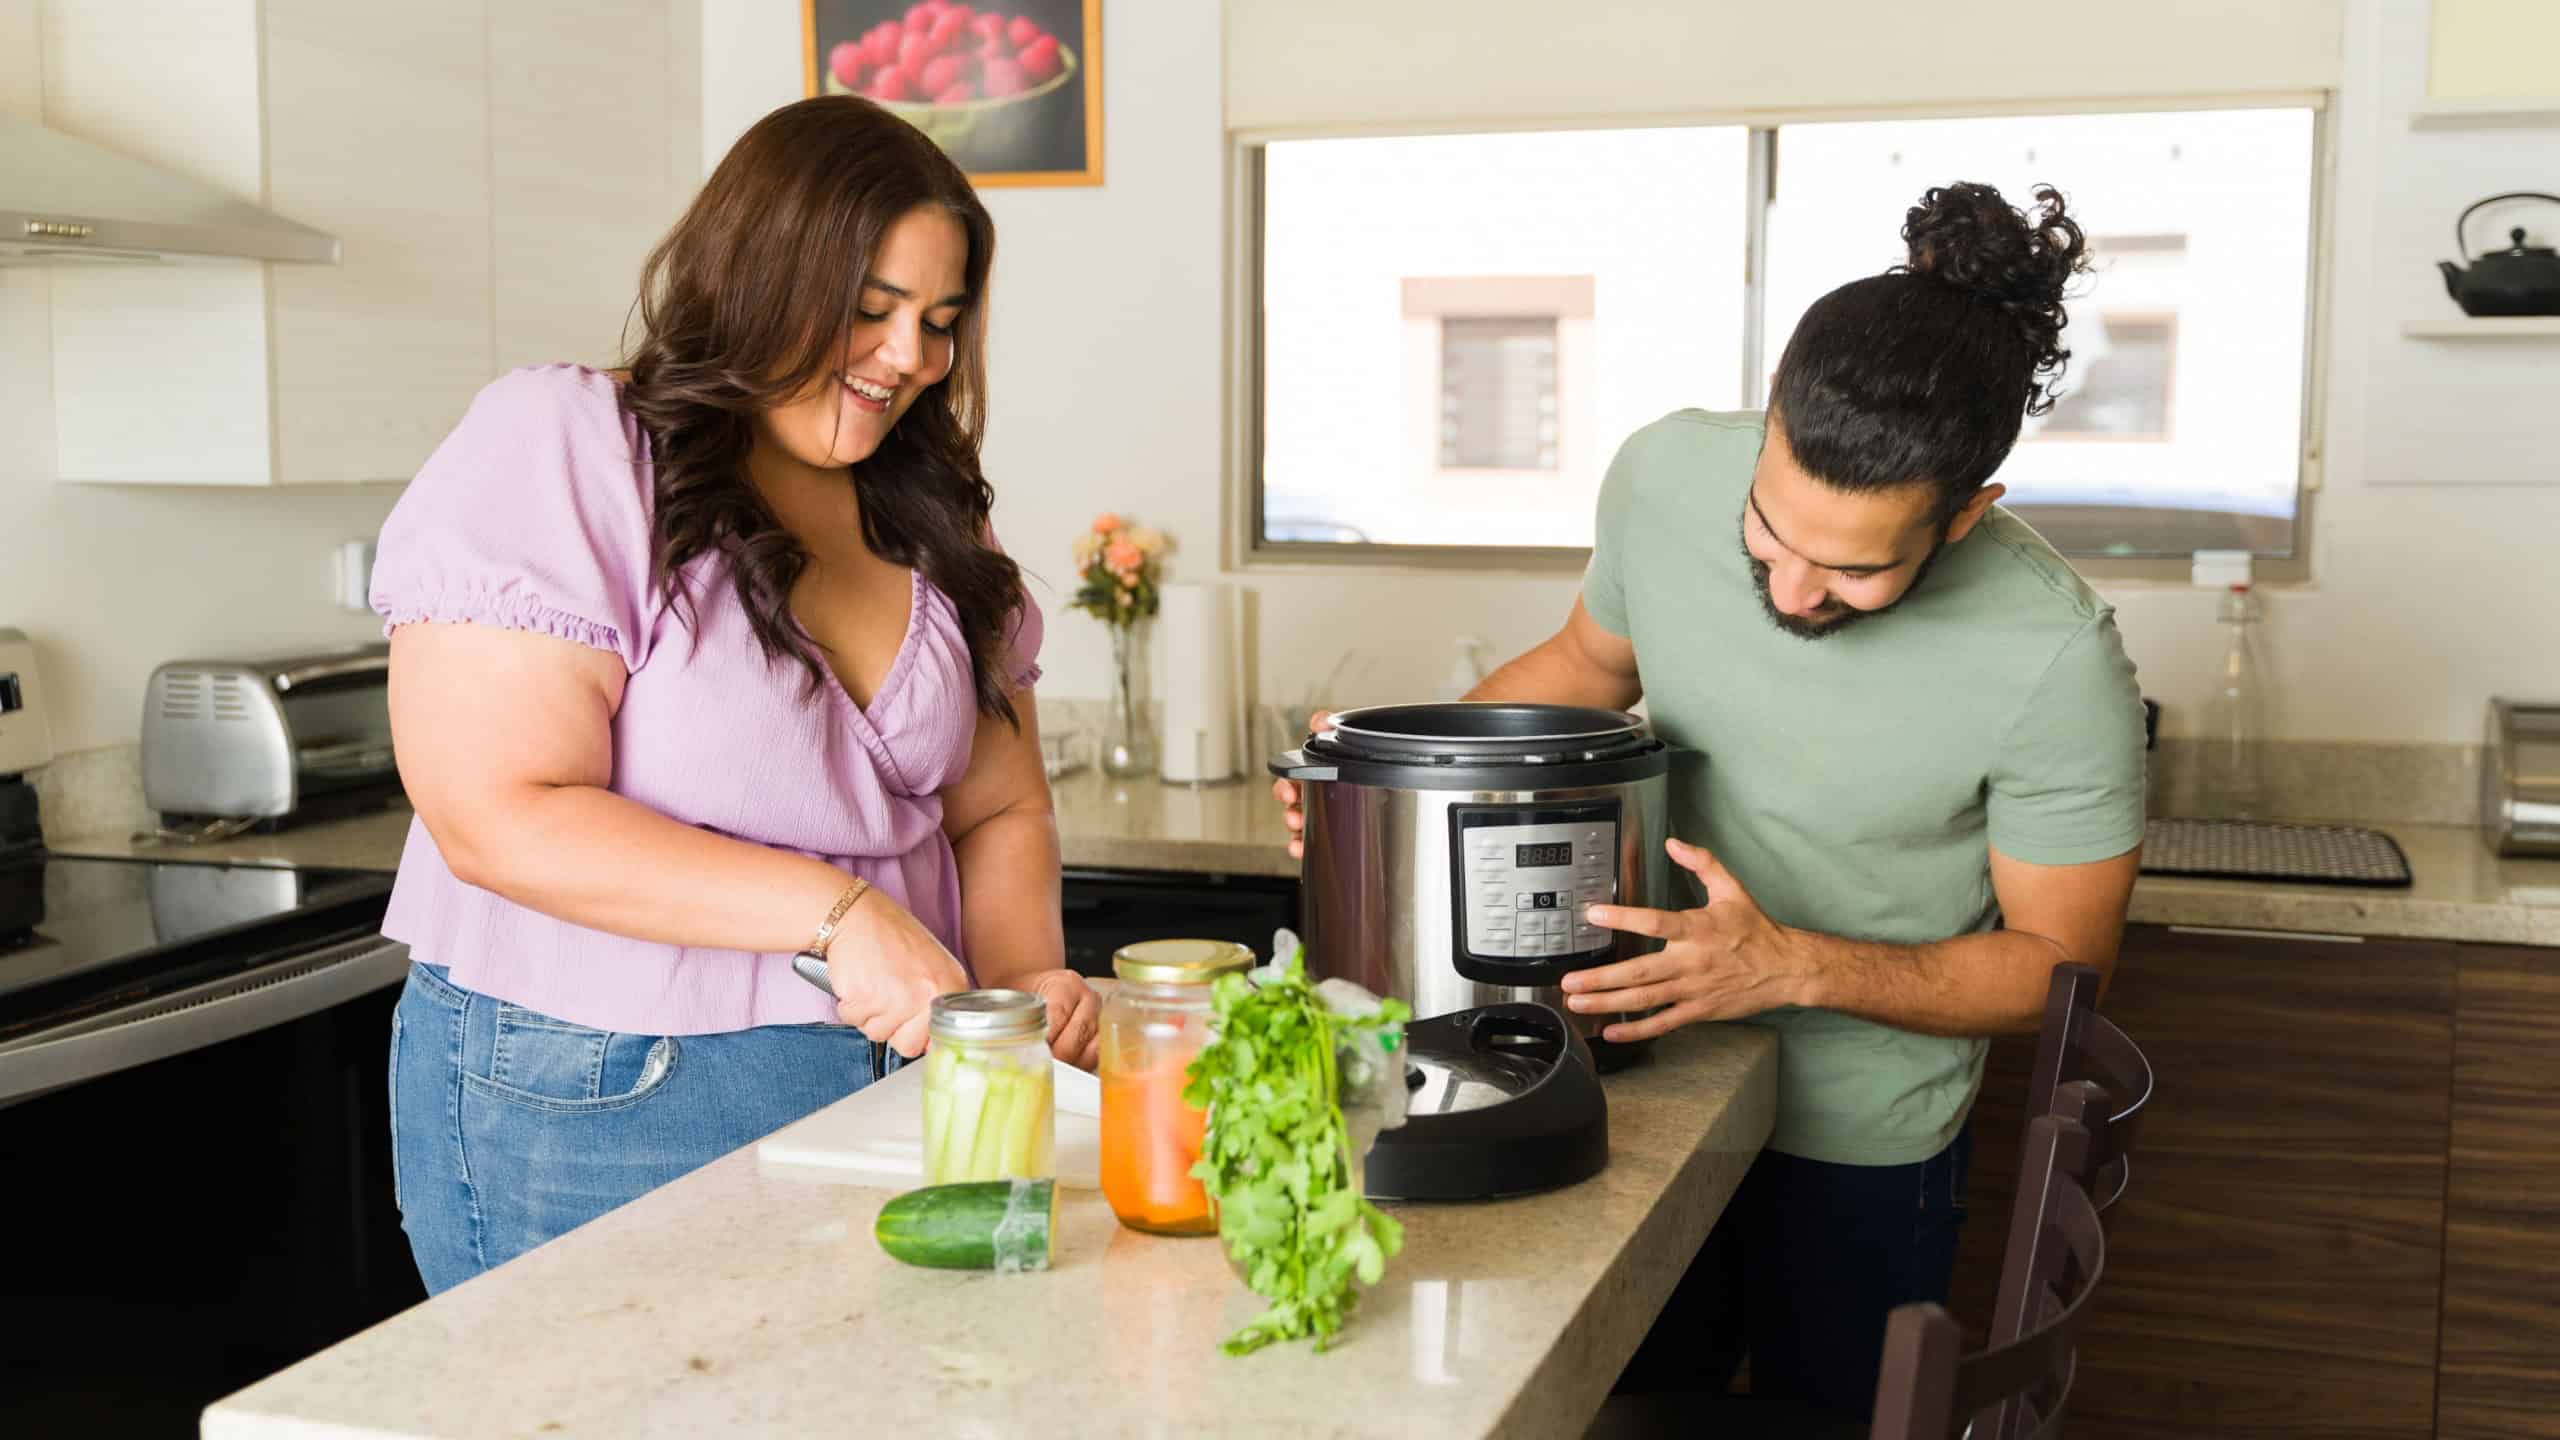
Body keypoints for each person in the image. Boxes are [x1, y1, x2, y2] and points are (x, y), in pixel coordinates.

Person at [1274, 181, 2146, 1419]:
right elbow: (1583, 670)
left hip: (1858, 1132)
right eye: (1767, 536)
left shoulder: (2056, 657)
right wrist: (1381, 784)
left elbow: (2062, 968)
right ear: (1765, 431)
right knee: (1605, 1410)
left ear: (1965, 517)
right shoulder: (1664, 472)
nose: (1791, 594)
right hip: (1640, 1085)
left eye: (1853, 569)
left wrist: (1788, 966)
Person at [372, 96, 1098, 1295]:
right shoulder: (570, 445)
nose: (911, 356)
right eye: (871, 311)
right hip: (600, 1099)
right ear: (758, 272)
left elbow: (997, 810)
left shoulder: (927, 516)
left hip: (899, 1096)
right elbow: (495, 812)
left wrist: (1021, 986)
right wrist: (837, 915)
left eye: (940, 321)